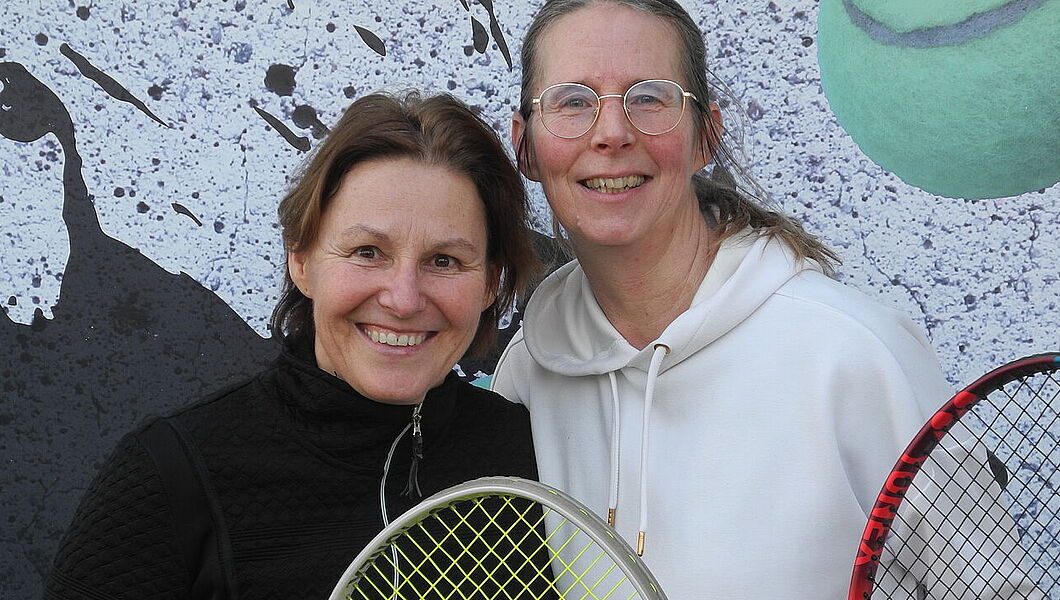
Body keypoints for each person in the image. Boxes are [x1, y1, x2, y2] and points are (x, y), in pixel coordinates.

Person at [490, 1, 958, 597]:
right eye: (573, 101)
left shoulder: (856, 353)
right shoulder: (528, 374)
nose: (611, 133)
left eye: (649, 98)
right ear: (525, 147)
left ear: (705, 136)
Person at [44, 91, 541, 600]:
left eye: (444, 261)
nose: (403, 299)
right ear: (301, 262)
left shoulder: (530, 456)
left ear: (491, 283)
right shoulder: (170, 476)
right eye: (367, 252)